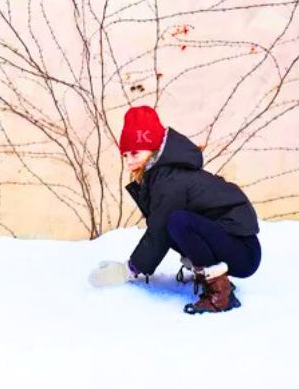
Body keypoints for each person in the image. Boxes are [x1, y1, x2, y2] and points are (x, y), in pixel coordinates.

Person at [88, 105, 261, 314]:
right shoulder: (162, 175)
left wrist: (129, 269)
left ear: (152, 149)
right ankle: (212, 275)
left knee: (177, 221)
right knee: (176, 222)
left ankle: (221, 294)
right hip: (234, 246)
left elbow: (159, 231)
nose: (128, 160)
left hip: (243, 252)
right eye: (125, 155)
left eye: (134, 153)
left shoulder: (170, 180)